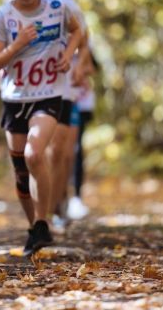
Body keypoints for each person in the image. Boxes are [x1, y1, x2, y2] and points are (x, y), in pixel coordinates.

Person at [0, 0, 82, 256]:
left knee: (34, 152)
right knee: (20, 171)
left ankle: (43, 218)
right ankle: (35, 229)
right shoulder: (4, 16)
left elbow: (78, 31)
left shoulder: (58, 7)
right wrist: (17, 46)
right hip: (15, 97)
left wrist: (68, 55)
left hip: (48, 93)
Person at [33, 0, 90, 229]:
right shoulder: (18, 6)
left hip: (64, 87)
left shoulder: (67, 6)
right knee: (36, 152)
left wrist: (80, 66)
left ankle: (53, 211)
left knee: (61, 152)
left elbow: (84, 39)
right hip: (30, 89)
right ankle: (44, 207)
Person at [67, 50, 99, 220]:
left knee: (77, 149)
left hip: (80, 102)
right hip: (56, 98)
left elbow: (94, 67)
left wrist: (81, 68)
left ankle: (76, 198)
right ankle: (59, 196)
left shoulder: (84, 42)